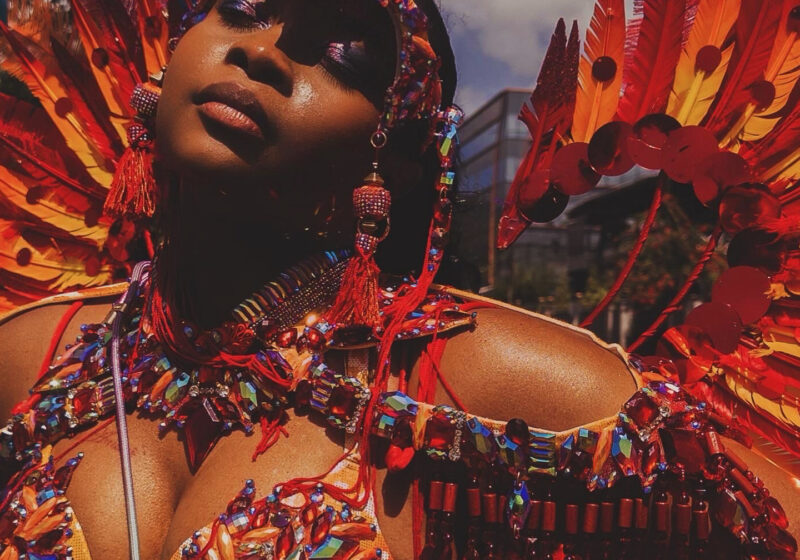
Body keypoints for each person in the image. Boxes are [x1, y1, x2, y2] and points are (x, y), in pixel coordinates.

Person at [0, 1, 798, 559]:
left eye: (346, 51)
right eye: (241, 6)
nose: (263, 51)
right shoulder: (40, 348)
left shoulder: (466, 377)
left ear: (402, 155)